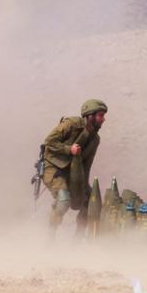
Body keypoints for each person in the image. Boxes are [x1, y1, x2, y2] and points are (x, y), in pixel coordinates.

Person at [42, 99, 107, 236]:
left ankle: (77, 240)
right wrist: (68, 149)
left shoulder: (95, 140)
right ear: (90, 115)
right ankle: (50, 235)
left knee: (91, 202)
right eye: (100, 115)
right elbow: (49, 142)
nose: (103, 119)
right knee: (64, 199)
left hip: (73, 172)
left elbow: (86, 165)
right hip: (53, 167)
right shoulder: (71, 124)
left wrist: (83, 187)